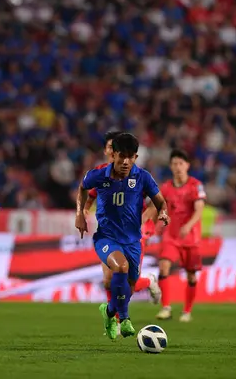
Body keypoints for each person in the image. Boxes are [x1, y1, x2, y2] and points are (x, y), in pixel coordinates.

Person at [76, 133, 169, 340]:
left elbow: (160, 202)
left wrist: (162, 212)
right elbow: (83, 189)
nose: (125, 162)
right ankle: (124, 319)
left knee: (129, 287)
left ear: (135, 157)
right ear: (113, 155)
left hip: (133, 241)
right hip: (107, 238)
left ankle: (109, 312)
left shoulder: (142, 177)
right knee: (118, 270)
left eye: (131, 157)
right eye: (121, 156)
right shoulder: (99, 175)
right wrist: (80, 214)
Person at [156, 149, 206, 323]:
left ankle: (187, 311)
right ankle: (166, 308)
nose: (178, 167)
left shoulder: (195, 185)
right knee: (163, 266)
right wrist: (157, 223)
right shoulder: (165, 187)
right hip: (171, 236)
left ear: (187, 166)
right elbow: (159, 208)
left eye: (181, 163)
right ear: (170, 166)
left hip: (191, 238)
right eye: (174, 164)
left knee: (191, 276)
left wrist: (189, 225)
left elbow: (199, 209)